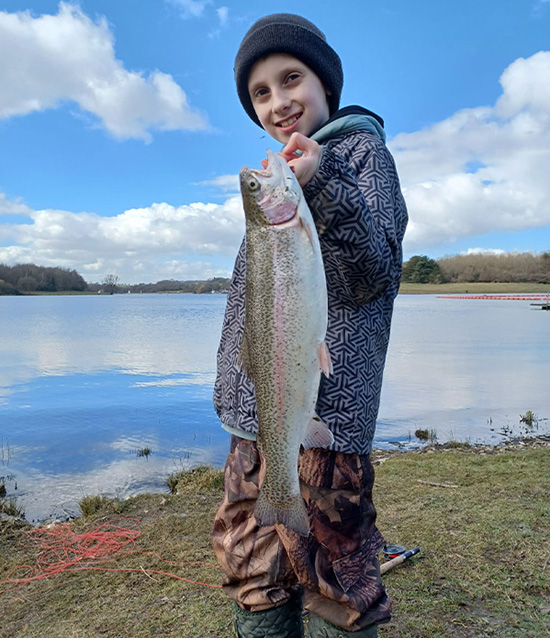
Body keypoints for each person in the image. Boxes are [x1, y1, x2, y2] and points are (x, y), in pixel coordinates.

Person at [212, 13, 408, 638]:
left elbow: (372, 270)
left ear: (325, 82)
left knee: (336, 574)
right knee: (254, 567)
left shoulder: (361, 154)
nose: (277, 102)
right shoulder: (277, 190)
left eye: (290, 79)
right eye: (260, 94)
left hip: (330, 421)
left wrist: (323, 183)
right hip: (258, 416)